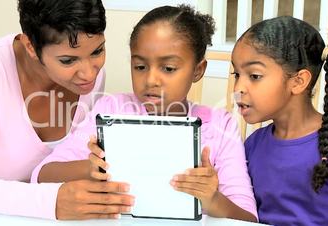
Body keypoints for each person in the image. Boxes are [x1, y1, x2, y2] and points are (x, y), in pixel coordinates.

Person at [33, 5, 258, 222]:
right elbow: (41, 175)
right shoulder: (111, 110)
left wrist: (211, 198)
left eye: (168, 69)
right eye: (140, 67)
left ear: (197, 70)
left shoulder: (220, 126)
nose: (150, 80)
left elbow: (248, 218)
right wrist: (89, 168)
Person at [0, 0, 134, 220]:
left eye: (97, 51)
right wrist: (49, 202)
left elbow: (73, 158)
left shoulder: (87, 80)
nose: (88, 74)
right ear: (30, 47)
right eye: (67, 60)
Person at [232, 16, 328, 225]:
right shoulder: (254, 144)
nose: (238, 89)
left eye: (254, 76)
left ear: (298, 82)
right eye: (236, 75)